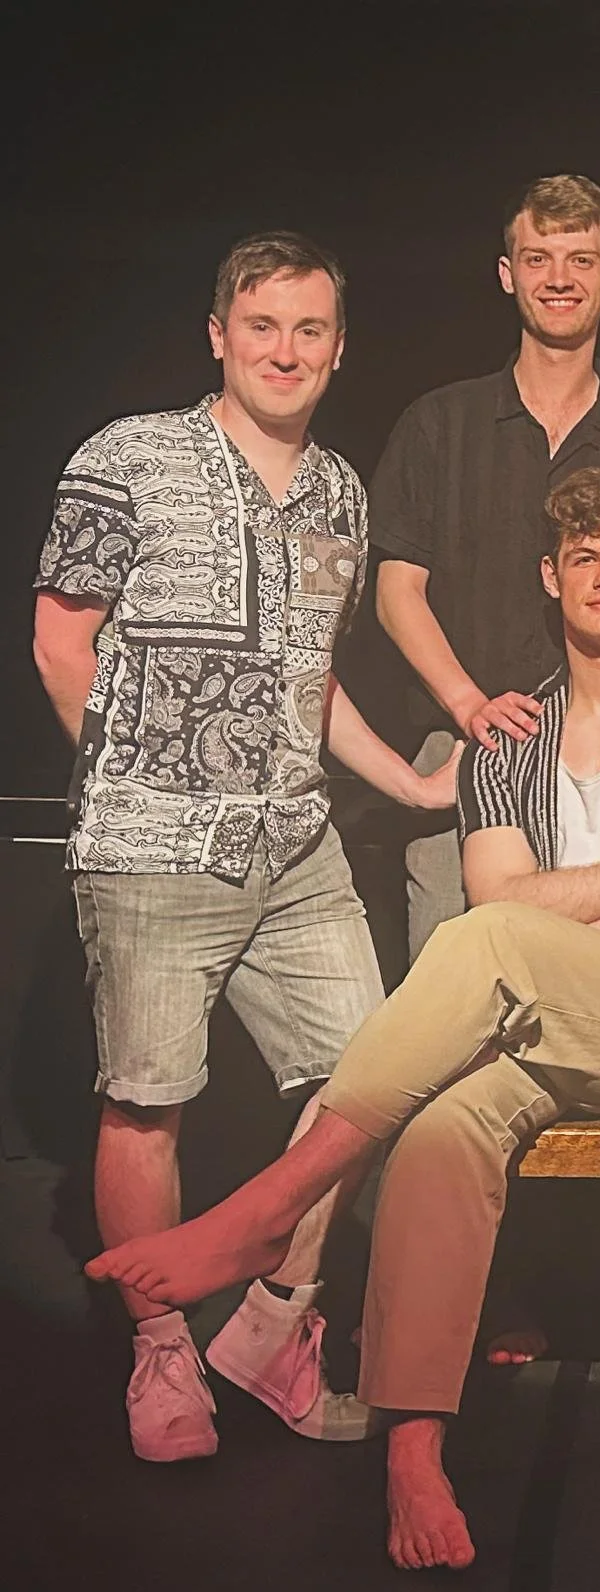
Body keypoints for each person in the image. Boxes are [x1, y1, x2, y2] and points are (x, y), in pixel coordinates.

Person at [84, 466, 600, 1570]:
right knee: (442, 1120)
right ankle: (415, 1445)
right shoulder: (509, 731)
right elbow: (526, 897)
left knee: (490, 939)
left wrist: (540, 940)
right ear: (552, 579)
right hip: (539, 1016)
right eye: (586, 559)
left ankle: (277, 1199)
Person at [31, 232, 461, 1463]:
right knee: (148, 1101)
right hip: (154, 846)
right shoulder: (129, 456)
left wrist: (411, 782)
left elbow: (309, 677)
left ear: (338, 347)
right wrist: (135, 777)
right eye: (262, 325)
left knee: (370, 1083)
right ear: (219, 333)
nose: (286, 350)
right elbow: (65, 642)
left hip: (297, 845)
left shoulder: (338, 490)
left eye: (310, 330)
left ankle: (273, 1325)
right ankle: (162, 1356)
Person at [371, 173, 600, 964]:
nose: (559, 278)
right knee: (450, 995)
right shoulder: (441, 424)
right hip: (468, 748)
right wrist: (470, 707)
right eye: (538, 258)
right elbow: (397, 593)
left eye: (580, 260)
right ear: (508, 274)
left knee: (599, 991)